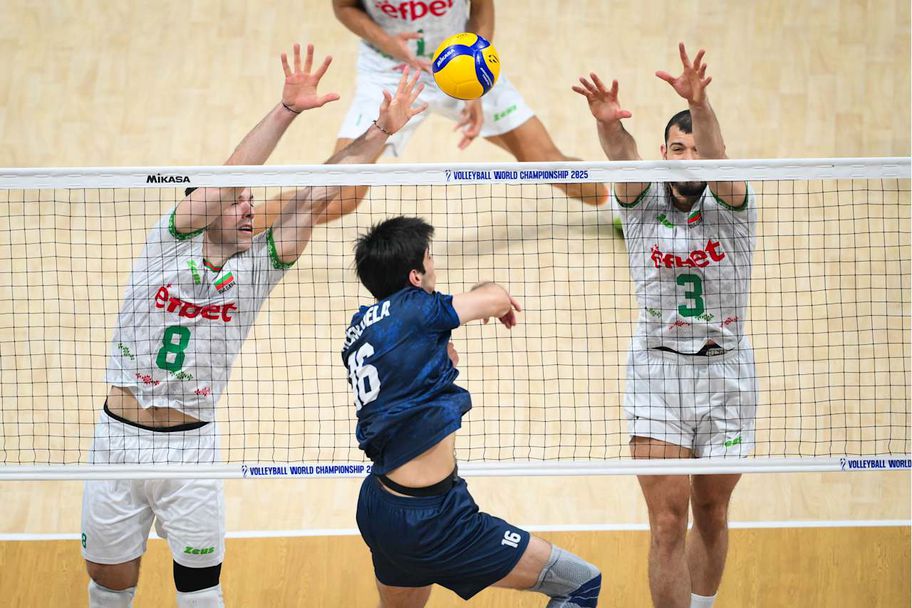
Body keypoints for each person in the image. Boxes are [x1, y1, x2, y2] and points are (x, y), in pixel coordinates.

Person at [80, 43, 427, 608]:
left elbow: (315, 196)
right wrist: (286, 111)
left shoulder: (256, 270)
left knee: (199, 591)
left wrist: (380, 132)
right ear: (205, 211)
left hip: (191, 448)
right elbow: (223, 183)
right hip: (118, 440)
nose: (248, 208)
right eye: (237, 202)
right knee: (109, 583)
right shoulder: (165, 248)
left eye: (251, 201)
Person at [573, 42, 756, 608]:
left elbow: (717, 158)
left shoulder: (733, 205)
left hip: (726, 373)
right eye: (678, 148)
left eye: (696, 149)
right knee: (667, 522)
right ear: (663, 153)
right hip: (657, 372)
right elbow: (623, 159)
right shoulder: (641, 202)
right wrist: (608, 125)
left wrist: (700, 105)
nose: (687, 158)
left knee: (712, 511)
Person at [342, 216, 602, 607]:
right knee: (580, 584)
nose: (435, 265)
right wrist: (487, 302)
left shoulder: (360, 327)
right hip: (433, 522)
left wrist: (438, 357)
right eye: (430, 258)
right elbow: (496, 298)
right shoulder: (420, 310)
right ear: (415, 276)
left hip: (379, 507)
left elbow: (402, 378)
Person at [276, 0, 607, 227]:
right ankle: (249, 227)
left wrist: (476, 85)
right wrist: (387, 41)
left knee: (546, 163)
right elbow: (344, 6)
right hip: (389, 69)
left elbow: (481, 7)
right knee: (339, 194)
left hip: (463, 61)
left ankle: (620, 203)